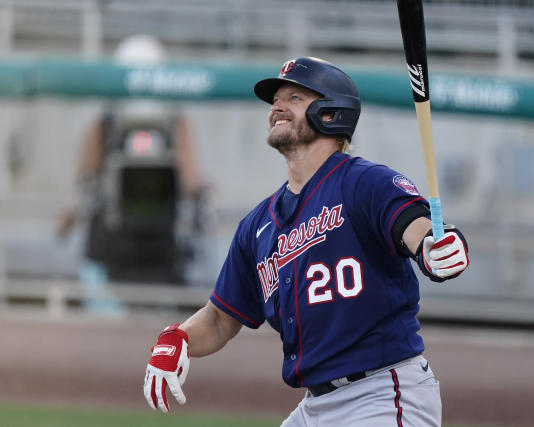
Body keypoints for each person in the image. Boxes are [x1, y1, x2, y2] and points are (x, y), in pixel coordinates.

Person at [143, 57, 469, 426]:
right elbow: (221, 319)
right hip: (316, 406)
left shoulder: (364, 183)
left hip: (383, 394)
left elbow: (416, 228)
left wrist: (433, 248)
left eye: (294, 98)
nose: (277, 107)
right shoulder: (258, 225)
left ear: (332, 113)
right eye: (276, 100)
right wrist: (179, 337)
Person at [57, 35, 207, 307]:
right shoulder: (106, 124)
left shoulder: (173, 123)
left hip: (159, 246)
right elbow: (86, 178)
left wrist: (201, 199)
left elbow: (191, 178)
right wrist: (71, 212)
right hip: (113, 244)